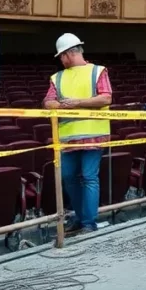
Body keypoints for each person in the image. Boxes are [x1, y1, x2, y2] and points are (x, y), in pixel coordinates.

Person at [42, 33, 112, 236]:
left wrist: (77, 102)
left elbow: (106, 98)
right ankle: (81, 219)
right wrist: (54, 104)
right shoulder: (58, 77)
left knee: (89, 177)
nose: (61, 61)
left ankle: (88, 223)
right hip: (67, 139)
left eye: (61, 56)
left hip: (93, 135)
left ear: (67, 54)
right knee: (69, 178)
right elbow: (47, 102)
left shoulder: (98, 71)